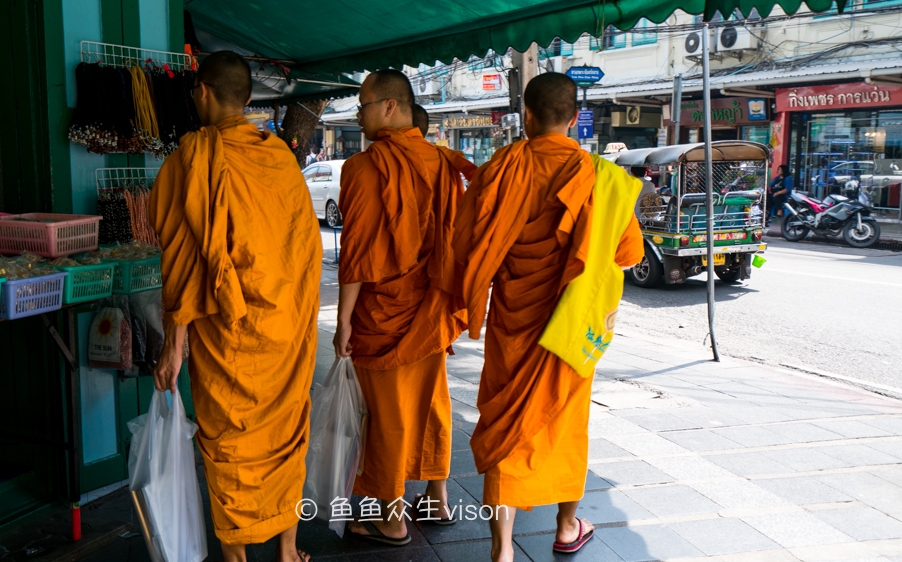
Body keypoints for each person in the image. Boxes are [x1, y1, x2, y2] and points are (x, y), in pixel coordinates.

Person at [452, 72, 645, 562]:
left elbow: (467, 241)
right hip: (569, 327)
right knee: (564, 423)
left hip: (513, 321)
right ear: (575, 118)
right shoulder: (604, 180)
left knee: (505, 423)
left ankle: (501, 549)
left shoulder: (500, 167)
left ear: (527, 115)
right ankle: (565, 527)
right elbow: (628, 253)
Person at [149, 50, 321, 562]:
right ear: (248, 100)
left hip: (228, 335)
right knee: (285, 434)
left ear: (201, 92)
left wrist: (173, 348)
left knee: (230, 444)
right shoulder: (281, 160)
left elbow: (180, 264)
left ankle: (237, 556)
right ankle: (288, 551)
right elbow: (304, 249)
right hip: (284, 329)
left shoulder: (191, 159)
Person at [332, 69, 475, 546]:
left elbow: (356, 255)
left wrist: (343, 320)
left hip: (383, 313)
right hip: (430, 306)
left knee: (387, 412)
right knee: (431, 399)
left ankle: (391, 517)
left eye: (363, 105)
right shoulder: (439, 160)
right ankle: (436, 497)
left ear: (389, 106)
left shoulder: (364, 167)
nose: (358, 115)